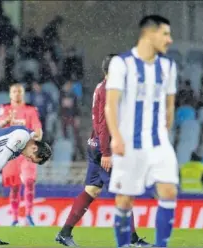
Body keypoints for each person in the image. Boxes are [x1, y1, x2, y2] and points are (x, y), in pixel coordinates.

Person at [55, 55, 150, 247]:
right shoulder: (109, 90)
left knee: (91, 190)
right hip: (104, 147)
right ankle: (131, 240)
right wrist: (107, 152)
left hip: (95, 144)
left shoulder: (102, 87)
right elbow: (104, 123)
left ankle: (64, 233)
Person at [105, 15, 178, 247]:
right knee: (125, 200)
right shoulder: (121, 63)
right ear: (149, 34)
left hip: (158, 142)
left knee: (168, 191)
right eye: (165, 34)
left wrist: (164, 132)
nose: (170, 39)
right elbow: (111, 104)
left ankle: (161, 246)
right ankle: (123, 244)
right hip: (129, 143)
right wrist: (116, 136)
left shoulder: (168, 66)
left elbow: (169, 105)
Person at [0, 83, 43, 226]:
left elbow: (37, 128)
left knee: (29, 181)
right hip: (11, 152)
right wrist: (7, 120)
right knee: (15, 186)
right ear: (10, 94)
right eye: (14, 91)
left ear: (23, 94)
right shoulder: (5, 109)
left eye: (19, 91)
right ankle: (15, 218)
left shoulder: (30, 110)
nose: (17, 94)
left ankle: (29, 214)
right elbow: (0, 124)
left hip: (27, 151)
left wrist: (38, 135)